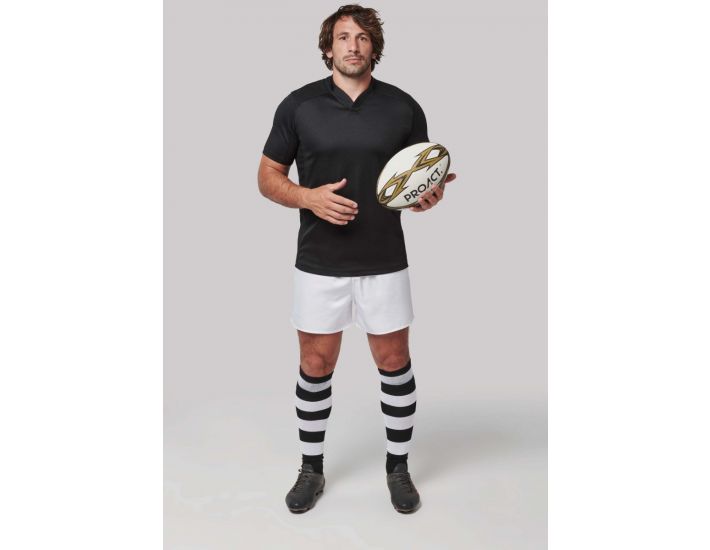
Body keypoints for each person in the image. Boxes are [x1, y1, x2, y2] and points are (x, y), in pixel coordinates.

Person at [257, 4, 456, 514]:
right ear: (329, 47)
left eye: (363, 37)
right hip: (318, 259)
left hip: (383, 257)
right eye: (343, 36)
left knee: (393, 362)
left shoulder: (403, 107)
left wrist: (426, 196)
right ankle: (311, 469)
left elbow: (414, 185)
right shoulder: (299, 106)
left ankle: (398, 468)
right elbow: (267, 177)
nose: (353, 45)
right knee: (314, 364)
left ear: (374, 48)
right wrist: (308, 197)